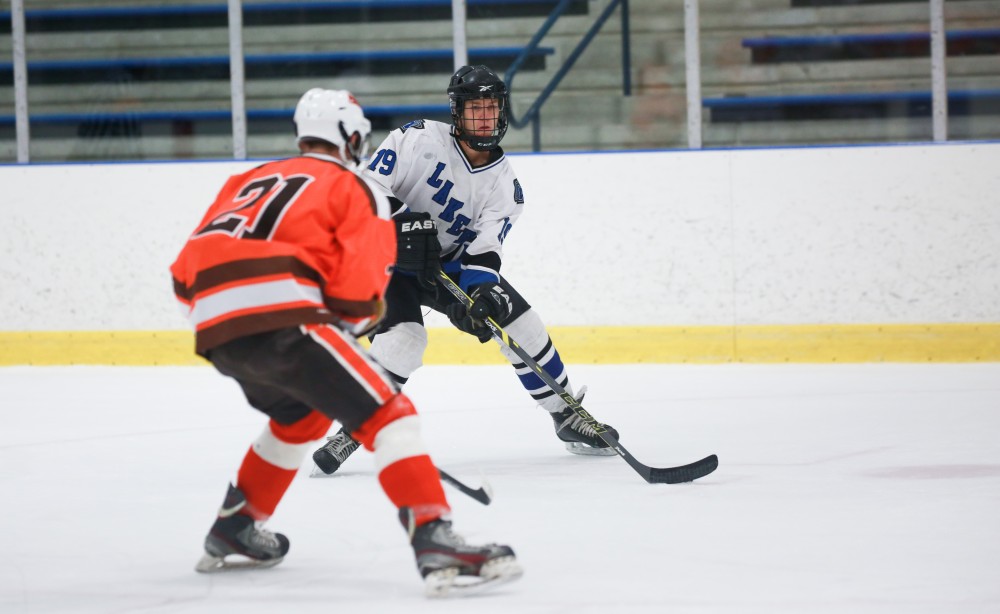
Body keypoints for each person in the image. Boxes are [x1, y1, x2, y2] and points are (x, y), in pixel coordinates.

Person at [170, 87, 521, 596]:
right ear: (353, 138)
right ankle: (435, 538)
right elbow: (362, 296)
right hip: (287, 316)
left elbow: (188, 269)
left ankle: (236, 526)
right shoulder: (355, 188)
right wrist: (344, 324)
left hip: (213, 324)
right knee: (389, 414)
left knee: (301, 417)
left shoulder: (246, 179)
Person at [312, 66, 620, 476]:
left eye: (491, 110)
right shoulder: (416, 137)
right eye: (475, 110)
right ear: (456, 113)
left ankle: (566, 416)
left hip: (446, 265)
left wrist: (481, 294)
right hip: (385, 259)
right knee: (404, 341)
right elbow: (365, 189)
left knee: (521, 324)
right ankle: (354, 426)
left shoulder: (505, 186)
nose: (485, 119)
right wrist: (404, 223)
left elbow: (484, 251)